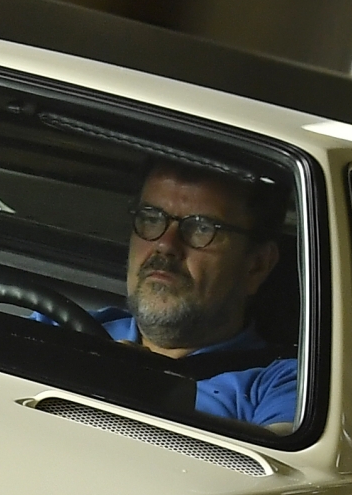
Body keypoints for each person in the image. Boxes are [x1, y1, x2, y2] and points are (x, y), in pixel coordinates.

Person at [97, 163, 299, 429]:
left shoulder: (285, 384)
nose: (165, 244)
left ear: (257, 265)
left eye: (202, 228)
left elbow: (279, 448)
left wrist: (143, 395)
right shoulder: (63, 327)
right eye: (152, 218)